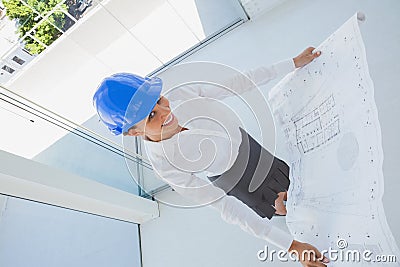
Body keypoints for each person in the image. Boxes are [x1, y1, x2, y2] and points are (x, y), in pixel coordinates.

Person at [93, 47, 330, 267]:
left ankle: (289, 198)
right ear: (134, 131)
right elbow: (226, 207)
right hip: (233, 179)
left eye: (158, 100)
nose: (167, 111)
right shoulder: (164, 164)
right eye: (152, 115)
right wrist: (292, 245)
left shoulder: (181, 95)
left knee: (286, 180)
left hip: (249, 147)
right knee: (273, 202)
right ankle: (281, 209)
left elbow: (238, 83)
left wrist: (292, 63)